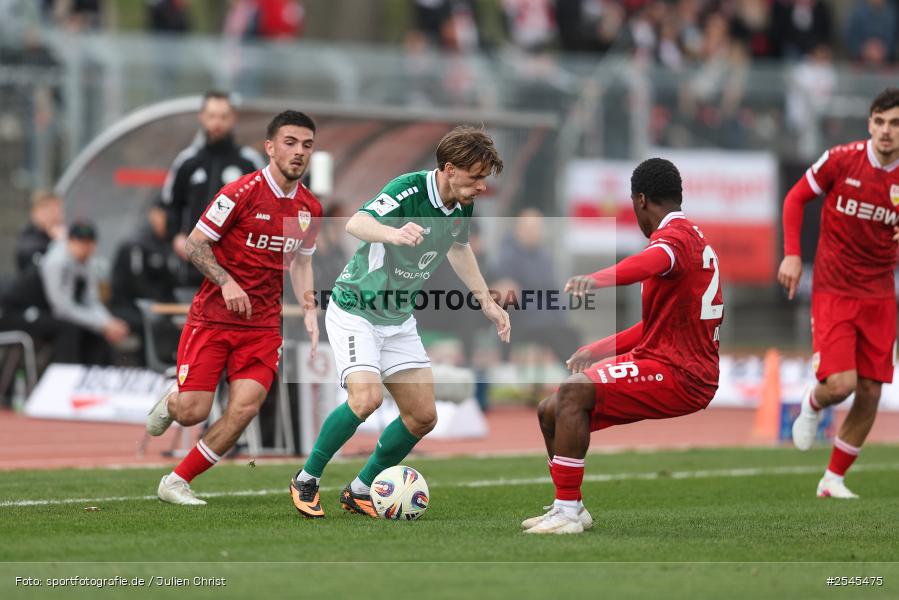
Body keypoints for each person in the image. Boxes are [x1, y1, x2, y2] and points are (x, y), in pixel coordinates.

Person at [290, 125, 510, 519]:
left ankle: (360, 489)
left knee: (423, 416)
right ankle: (306, 478)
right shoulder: (407, 189)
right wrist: (392, 233)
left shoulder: (461, 203)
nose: (481, 186)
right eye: (476, 177)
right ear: (450, 169)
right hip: (356, 308)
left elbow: (459, 248)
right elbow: (356, 223)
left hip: (397, 318)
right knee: (366, 399)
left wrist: (487, 302)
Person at [522, 158, 724, 534]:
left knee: (572, 393)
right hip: (663, 358)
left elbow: (649, 262)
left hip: (682, 373)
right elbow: (656, 325)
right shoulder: (690, 237)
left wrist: (598, 278)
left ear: (641, 200)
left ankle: (567, 512)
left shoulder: (673, 240)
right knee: (550, 409)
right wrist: (597, 349)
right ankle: (571, 506)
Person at [145, 110, 322, 506]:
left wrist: (309, 308)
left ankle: (176, 481)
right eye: (290, 143)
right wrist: (226, 282)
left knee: (245, 408)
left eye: (307, 145)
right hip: (213, 319)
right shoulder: (239, 193)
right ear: (270, 147)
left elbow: (302, 263)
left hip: (262, 327)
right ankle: (173, 402)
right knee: (193, 412)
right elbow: (195, 244)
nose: (299, 152)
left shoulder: (309, 208)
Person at [778, 88, 899, 500]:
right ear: (870, 124)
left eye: (895, 123)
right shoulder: (841, 159)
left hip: (880, 295)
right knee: (841, 385)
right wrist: (792, 254)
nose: (886, 130)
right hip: (834, 288)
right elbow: (796, 197)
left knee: (871, 391)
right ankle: (813, 402)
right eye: (880, 122)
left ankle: (832, 480)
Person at [160, 90, 264, 285]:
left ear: (233, 118)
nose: (217, 123)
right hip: (192, 268)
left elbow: (264, 209)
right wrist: (177, 238)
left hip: (237, 269)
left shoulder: (249, 162)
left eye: (223, 117)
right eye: (212, 116)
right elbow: (170, 205)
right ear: (202, 117)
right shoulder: (187, 161)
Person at [39, 222, 131, 365]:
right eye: (81, 242)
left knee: (97, 333)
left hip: (55, 311)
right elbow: (61, 308)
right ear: (70, 241)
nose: (85, 247)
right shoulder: (57, 261)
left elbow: (91, 301)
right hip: (27, 310)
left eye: (89, 242)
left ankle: (98, 374)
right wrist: (102, 325)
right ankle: (67, 375)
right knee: (69, 329)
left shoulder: (87, 263)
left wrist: (108, 323)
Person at [109, 201, 180, 365]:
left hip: (159, 307)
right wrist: (160, 306)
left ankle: (173, 365)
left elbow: (170, 282)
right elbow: (138, 285)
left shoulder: (166, 243)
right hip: (128, 307)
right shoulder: (137, 244)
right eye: (164, 215)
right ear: (153, 214)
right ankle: (148, 368)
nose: (169, 219)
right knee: (153, 323)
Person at [15, 190, 64, 274]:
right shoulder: (29, 241)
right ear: (34, 213)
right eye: (49, 209)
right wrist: (60, 243)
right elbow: (41, 273)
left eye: (58, 208)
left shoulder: (65, 235)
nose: (54, 214)